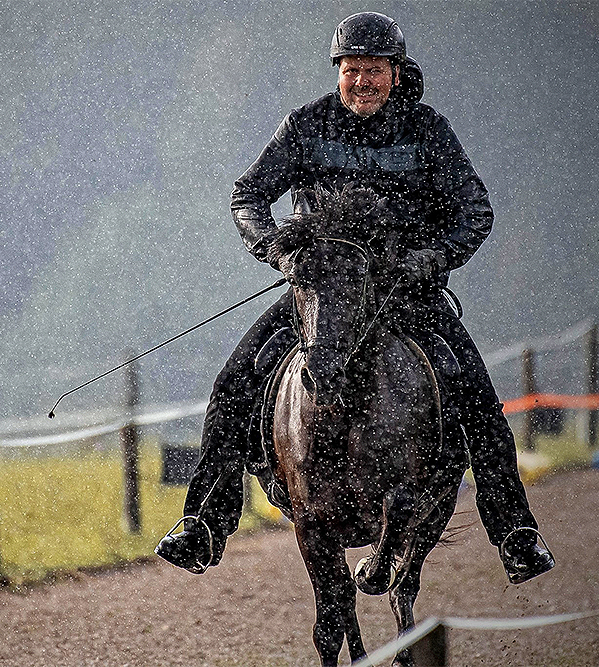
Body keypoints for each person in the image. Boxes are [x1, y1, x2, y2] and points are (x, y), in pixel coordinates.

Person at [155, 11, 555, 585]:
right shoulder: (303, 126)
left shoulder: (428, 130)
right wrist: (280, 252)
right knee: (235, 381)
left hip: (406, 297)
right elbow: (247, 196)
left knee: (477, 395)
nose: (362, 81)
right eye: (352, 70)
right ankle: (205, 522)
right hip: (320, 293)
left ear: (395, 72)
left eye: (374, 70)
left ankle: (515, 532)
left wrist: (429, 260)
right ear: (337, 72)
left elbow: (476, 212)